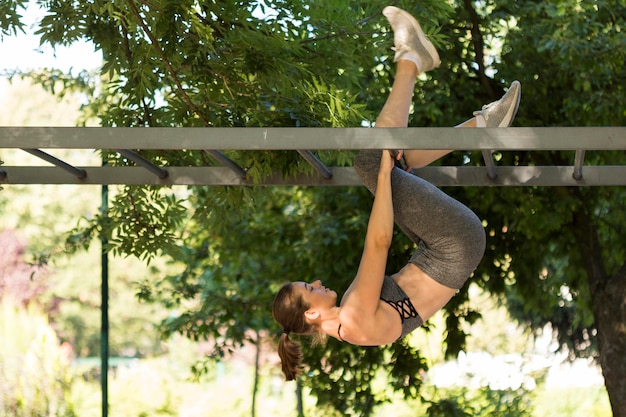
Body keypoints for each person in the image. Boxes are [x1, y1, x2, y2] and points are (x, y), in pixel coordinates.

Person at [272, 5, 521, 381]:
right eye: (310, 288)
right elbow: (379, 241)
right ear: (311, 313)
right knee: (372, 163)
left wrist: (391, 174)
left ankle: (482, 125)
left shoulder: (349, 328)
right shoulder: (354, 317)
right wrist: (384, 178)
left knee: (390, 162)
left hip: (446, 249)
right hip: (452, 244)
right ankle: (410, 59)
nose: (318, 282)